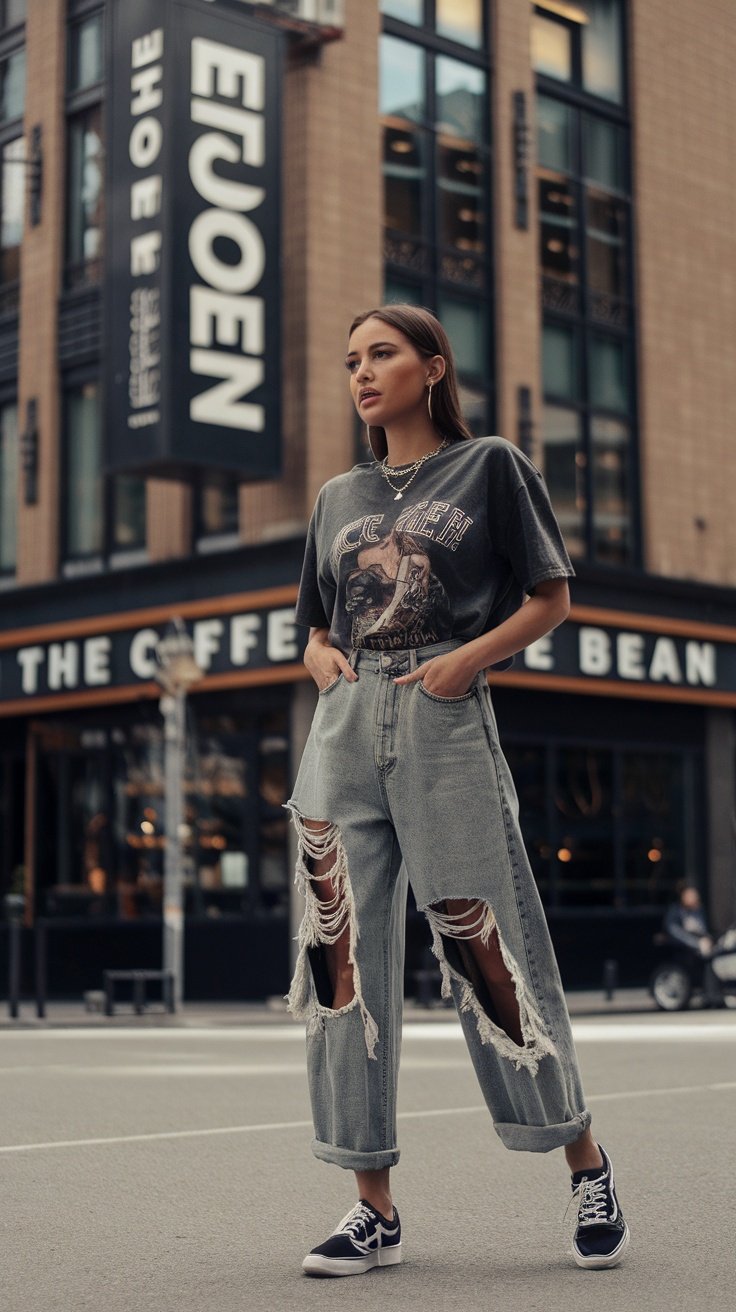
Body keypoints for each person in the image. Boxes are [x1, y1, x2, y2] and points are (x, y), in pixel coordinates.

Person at [286, 305, 630, 1277]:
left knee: (493, 949)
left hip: (442, 715)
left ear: (431, 367)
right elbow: (312, 624)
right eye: (349, 358)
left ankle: (583, 1159)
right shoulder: (334, 497)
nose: (361, 372)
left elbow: (549, 596)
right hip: (344, 731)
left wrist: (465, 664)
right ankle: (372, 1207)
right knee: (336, 961)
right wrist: (321, 665)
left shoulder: (489, 468)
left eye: (381, 353)